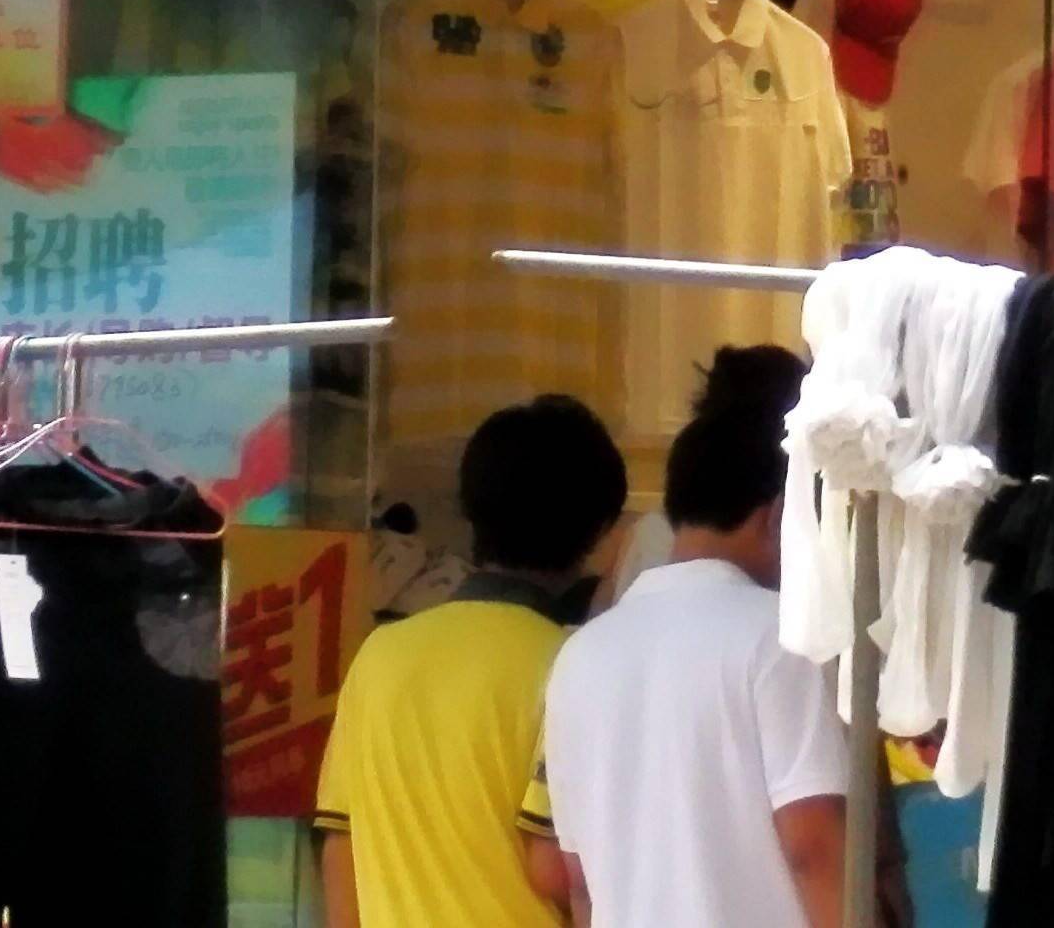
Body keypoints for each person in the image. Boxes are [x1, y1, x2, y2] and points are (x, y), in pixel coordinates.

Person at [533, 347, 848, 928]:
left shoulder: (578, 657)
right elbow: (814, 848)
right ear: (779, 515)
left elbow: (577, 880)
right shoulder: (778, 638)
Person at [315, 396, 629, 928]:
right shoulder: (577, 666)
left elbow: (340, 848)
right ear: (599, 532)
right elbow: (565, 871)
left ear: (470, 510)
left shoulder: (380, 655)